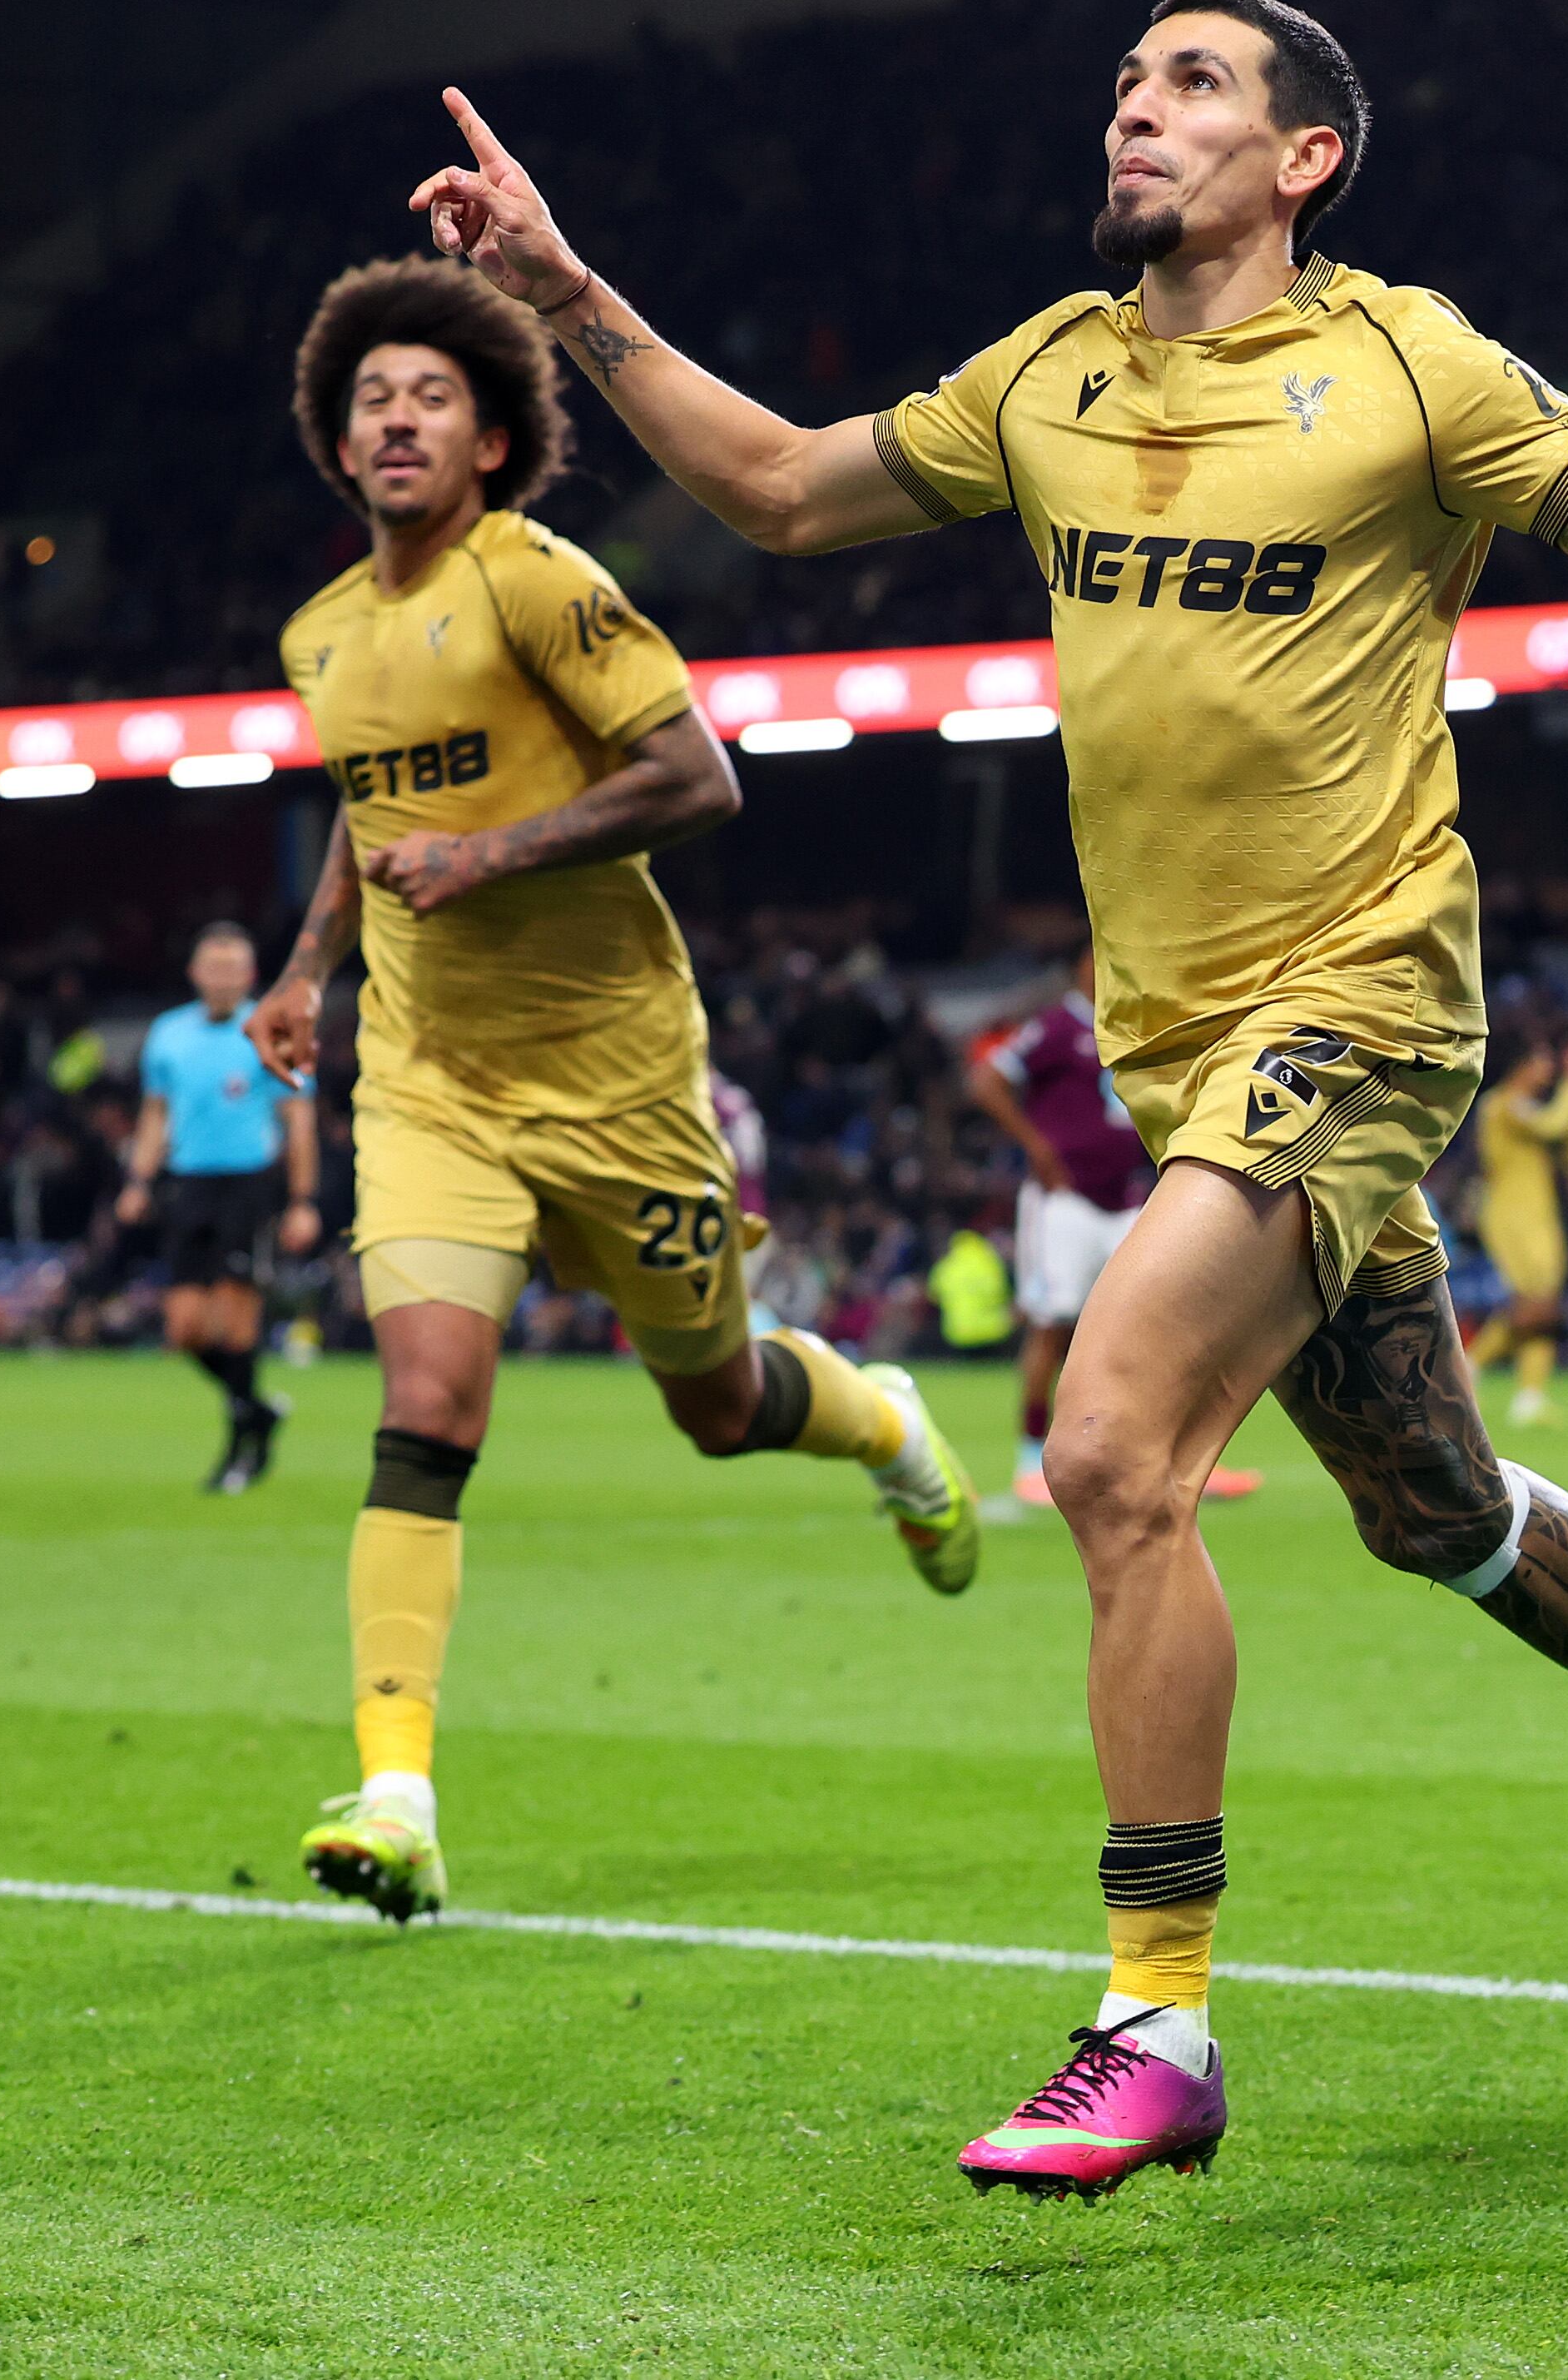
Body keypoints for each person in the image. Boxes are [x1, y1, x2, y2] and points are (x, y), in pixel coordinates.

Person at [407, 0, 1568, 2199]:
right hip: (1172, 1040)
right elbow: (781, 489)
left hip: (1364, 994)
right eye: (1127, 81)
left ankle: (1153, 2018)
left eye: (1190, 85)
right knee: (1431, 1507)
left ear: (1304, 160)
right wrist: (570, 290)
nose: (1135, 109)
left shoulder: (1414, 366)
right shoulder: (1051, 372)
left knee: (1105, 1445)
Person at [245, 254, 983, 1929]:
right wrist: (306, 968)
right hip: (429, 1078)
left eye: (432, 396)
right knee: (426, 1408)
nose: (398, 420)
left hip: (614, 1075)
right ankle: (397, 1791)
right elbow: (374, 826)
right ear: (338, 443)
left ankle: (881, 1422)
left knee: (715, 1407)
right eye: (373, 400)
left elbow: (695, 774)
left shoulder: (536, 581)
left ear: (495, 441)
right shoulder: (321, 634)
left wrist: (495, 848)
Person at [965, 942, 1258, 1512]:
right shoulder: (1056, 1026)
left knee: (1163, 1328)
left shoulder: (1139, 1026)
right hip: (1066, 1200)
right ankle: (1031, 1462)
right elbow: (986, 1079)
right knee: (1054, 1327)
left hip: (1128, 1197)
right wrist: (1035, 1145)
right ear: (1079, 967)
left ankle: (1181, 1460)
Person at [116, 922, 320, 1492]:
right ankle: (256, 1406)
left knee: (235, 1316)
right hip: (188, 1182)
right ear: (195, 973)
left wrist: (302, 1200)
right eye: (214, 966)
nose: (224, 977)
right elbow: (156, 1113)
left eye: (235, 967)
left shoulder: (269, 1029)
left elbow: (297, 1119)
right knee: (183, 1326)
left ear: (251, 976)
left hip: (247, 1182)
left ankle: (240, 1450)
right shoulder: (168, 1035)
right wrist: (139, 1178)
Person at [1467, 1040, 1568, 1424]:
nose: (1547, 1072)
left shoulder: (1510, 1106)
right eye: (1540, 1064)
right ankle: (1469, 1369)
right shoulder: (1505, 1105)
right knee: (1534, 1304)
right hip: (1515, 1218)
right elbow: (1558, 1124)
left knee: (1541, 1305)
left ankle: (1529, 1396)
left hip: (1535, 1215)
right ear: (1520, 1066)